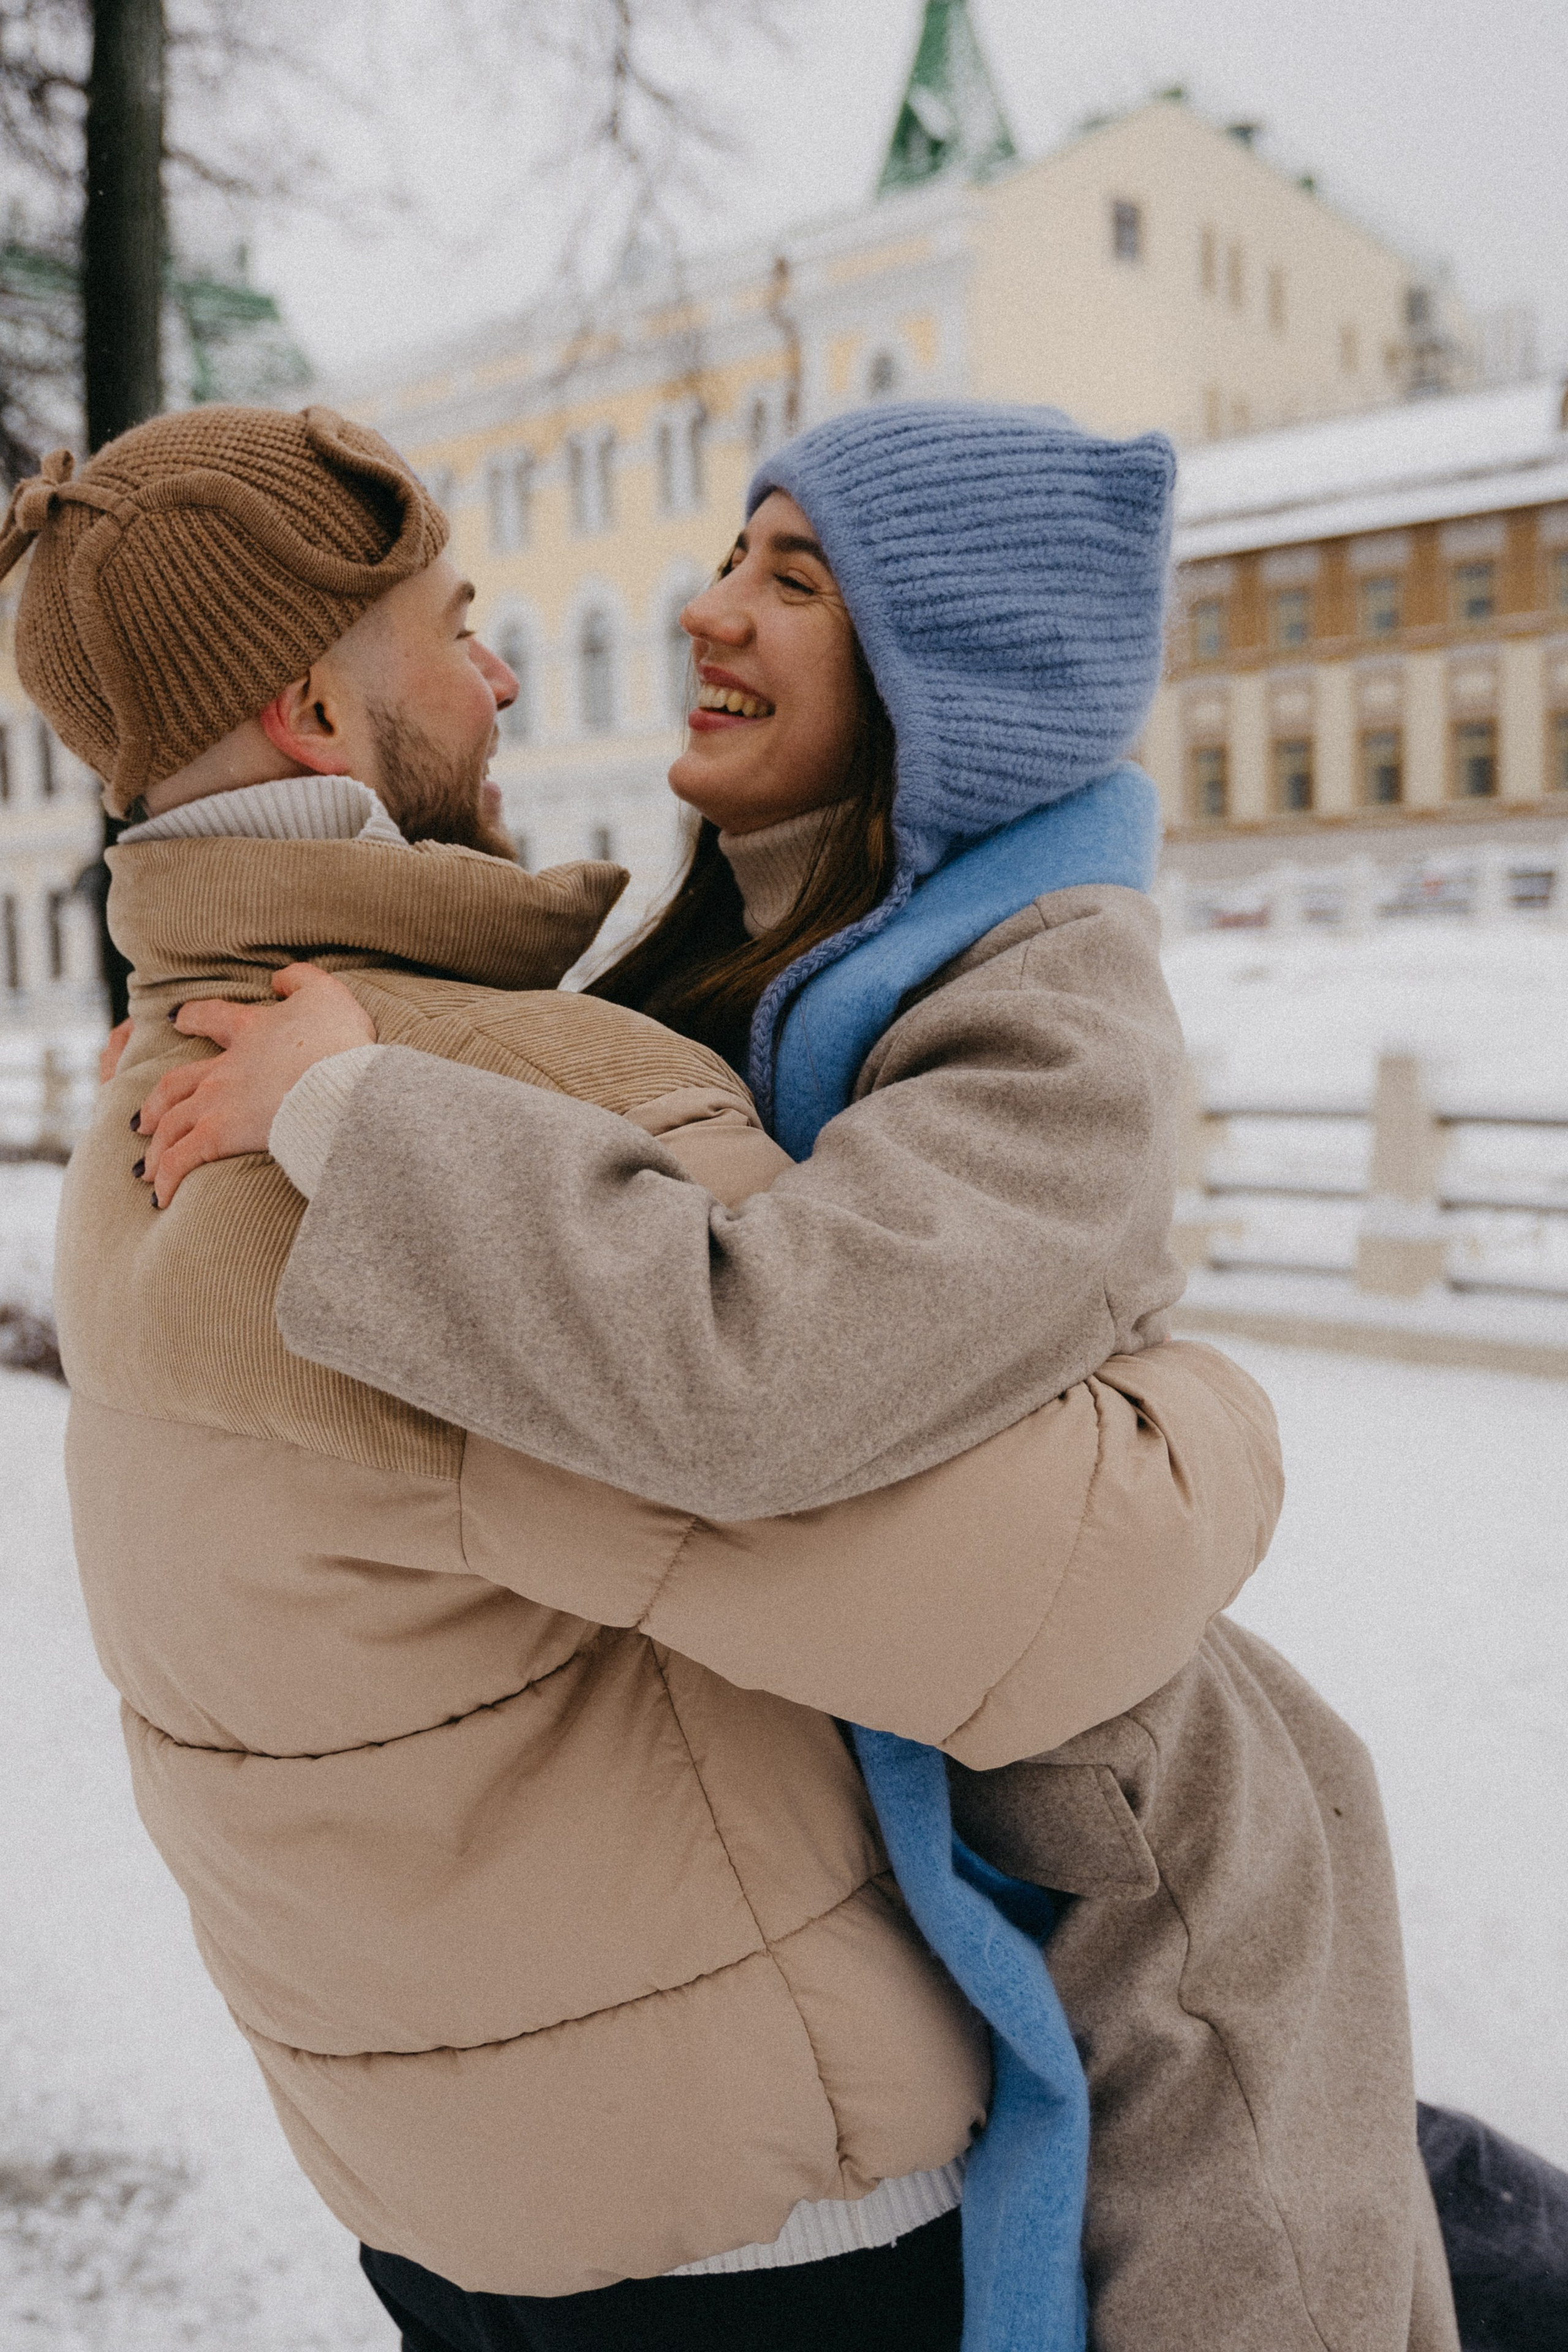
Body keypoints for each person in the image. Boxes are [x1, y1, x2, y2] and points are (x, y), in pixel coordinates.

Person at [122, 404, 1468, 2350]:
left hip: (1139, 1862)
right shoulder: (746, 951)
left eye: (795, 578)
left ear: (951, 683)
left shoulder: (1050, 1007)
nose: (707, 608)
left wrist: (352, 1109)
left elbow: (766, 1366)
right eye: (737, 554)